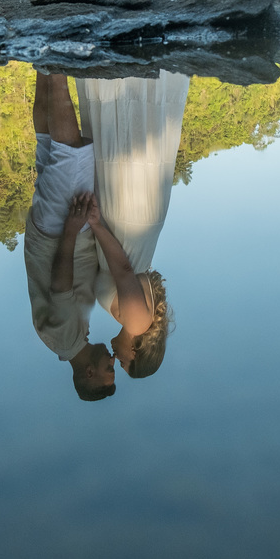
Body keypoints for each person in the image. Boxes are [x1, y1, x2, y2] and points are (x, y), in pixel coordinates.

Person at [77, 70, 187, 378]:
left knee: (128, 140)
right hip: (128, 219)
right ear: (136, 352)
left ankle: (130, 74)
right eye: (125, 364)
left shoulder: (139, 320)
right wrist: (97, 224)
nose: (118, 359)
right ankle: (118, 73)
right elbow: (123, 271)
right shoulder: (138, 323)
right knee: (122, 143)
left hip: (135, 221)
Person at [24, 72, 115, 401]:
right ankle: (43, 62)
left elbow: (61, 286)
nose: (112, 362)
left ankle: (58, 62)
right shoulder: (62, 343)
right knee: (47, 146)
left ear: (89, 373)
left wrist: (73, 229)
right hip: (46, 233)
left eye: (108, 370)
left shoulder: (67, 340)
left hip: (60, 230)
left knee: (70, 151)